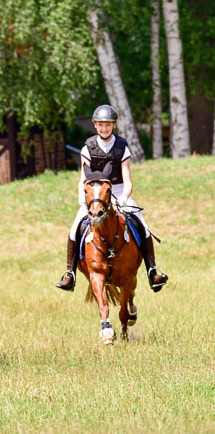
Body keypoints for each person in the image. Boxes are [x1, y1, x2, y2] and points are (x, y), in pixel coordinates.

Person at [56, 104, 168, 293]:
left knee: (143, 225)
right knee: (75, 227)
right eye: (100, 125)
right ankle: (70, 273)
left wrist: (124, 198)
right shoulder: (88, 147)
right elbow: (83, 179)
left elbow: (128, 181)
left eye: (107, 125)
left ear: (113, 125)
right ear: (95, 125)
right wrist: (83, 198)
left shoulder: (122, 146)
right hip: (94, 195)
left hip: (118, 191)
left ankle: (152, 270)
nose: (104, 128)